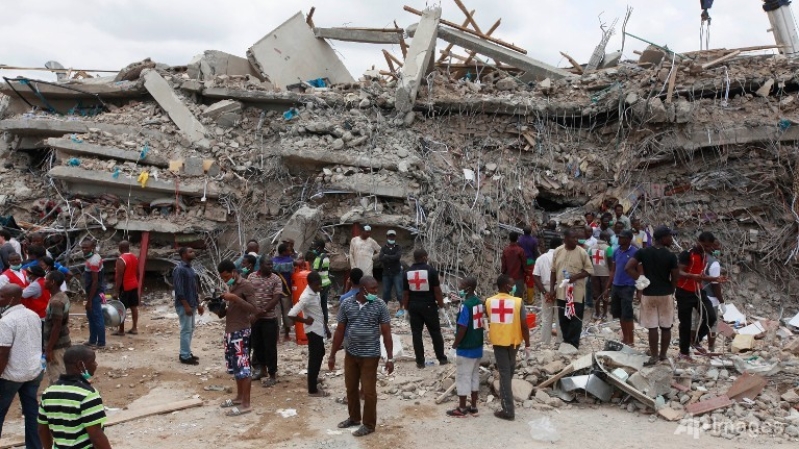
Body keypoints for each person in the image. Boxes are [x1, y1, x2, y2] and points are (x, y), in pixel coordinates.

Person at [328, 276, 393, 437]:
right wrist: (332, 354)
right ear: (363, 289)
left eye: (376, 289)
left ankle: (369, 424)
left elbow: (386, 333)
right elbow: (340, 331)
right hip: (351, 353)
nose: (375, 292)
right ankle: (354, 417)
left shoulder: (379, 305)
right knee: (350, 387)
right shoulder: (347, 304)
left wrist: (390, 358)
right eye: (373, 289)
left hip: (370, 355)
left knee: (369, 391)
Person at [37, 345, 112, 449]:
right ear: (81, 365)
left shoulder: (48, 393)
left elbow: (42, 429)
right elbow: (96, 436)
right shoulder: (88, 395)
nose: (96, 364)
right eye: (93, 361)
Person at [625, 226, 680, 365]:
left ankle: (654, 356)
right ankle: (663, 355)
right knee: (666, 327)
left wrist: (640, 279)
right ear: (663, 238)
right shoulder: (671, 256)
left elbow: (628, 267)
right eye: (669, 236)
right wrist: (672, 290)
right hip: (665, 293)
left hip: (648, 293)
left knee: (652, 327)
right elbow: (675, 277)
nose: (671, 239)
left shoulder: (643, 252)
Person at [0, 284, 43, 449]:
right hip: (33, 371)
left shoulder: (6, 321)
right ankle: (35, 446)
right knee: (32, 412)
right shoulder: (33, 315)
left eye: (2, 296)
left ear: (11, 299)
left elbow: (3, 354)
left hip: (12, 375)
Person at [485, 275, 530, 421]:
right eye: (511, 284)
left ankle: (508, 409)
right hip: (514, 342)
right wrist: (527, 343)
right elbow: (524, 326)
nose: (514, 286)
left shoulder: (489, 302)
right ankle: (508, 406)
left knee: (505, 374)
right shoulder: (518, 302)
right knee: (508, 373)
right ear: (505, 286)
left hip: (499, 342)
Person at [217, 260, 257, 417]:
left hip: (240, 331)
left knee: (244, 368)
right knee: (236, 368)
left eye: (226, 277)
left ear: (233, 272)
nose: (226, 281)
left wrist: (234, 298)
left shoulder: (246, 285)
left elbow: (254, 309)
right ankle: (240, 398)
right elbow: (232, 308)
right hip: (231, 331)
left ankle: (246, 404)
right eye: (223, 279)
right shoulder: (232, 286)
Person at [676, 232, 721, 360]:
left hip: (698, 291)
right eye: (705, 246)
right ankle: (683, 352)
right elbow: (679, 271)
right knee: (685, 323)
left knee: (711, 317)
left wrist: (715, 278)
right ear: (698, 242)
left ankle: (696, 341)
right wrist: (692, 276)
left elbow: (701, 276)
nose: (707, 249)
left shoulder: (704, 256)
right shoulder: (688, 254)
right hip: (684, 291)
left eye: (709, 247)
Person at [548, 228, 593, 349]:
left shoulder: (582, 252)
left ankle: (574, 344)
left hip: (576, 292)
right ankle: (566, 342)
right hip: (562, 292)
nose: (576, 240)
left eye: (577, 238)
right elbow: (553, 271)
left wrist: (576, 277)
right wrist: (552, 289)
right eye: (573, 238)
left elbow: (589, 271)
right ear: (566, 239)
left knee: (575, 317)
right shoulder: (558, 251)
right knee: (563, 318)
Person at [402, 249, 447, 369]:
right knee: (435, 332)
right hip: (429, 305)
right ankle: (441, 358)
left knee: (416, 334)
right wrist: (441, 306)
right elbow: (437, 291)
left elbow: (406, 294)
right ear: (423, 257)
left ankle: (420, 362)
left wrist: (405, 309)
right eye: (426, 256)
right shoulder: (431, 271)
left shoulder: (407, 272)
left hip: (413, 306)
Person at [288, 271, 330, 397]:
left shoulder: (315, 292)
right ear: (310, 284)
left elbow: (319, 312)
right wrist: (305, 320)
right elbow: (291, 314)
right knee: (315, 358)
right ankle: (312, 389)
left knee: (320, 353)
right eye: (317, 285)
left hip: (319, 328)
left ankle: (314, 378)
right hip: (312, 330)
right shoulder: (306, 297)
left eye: (320, 285)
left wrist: (326, 328)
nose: (320, 288)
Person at [446, 277, 484, 418]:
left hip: (466, 347)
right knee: (474, 376)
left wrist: (454, 346)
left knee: (462, 377)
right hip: (478, 346)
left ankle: (462, 408)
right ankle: (473, 406)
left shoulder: (465, 306)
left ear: (468, 288)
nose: (459, 287)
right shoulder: (479, 303)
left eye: (461, 285)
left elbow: (462, 328)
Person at [248, 257, 284, 387]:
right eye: (268, 264)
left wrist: (260, 312)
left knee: (270, 348)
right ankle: (261, 370)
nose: (270, 266)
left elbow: (276, 298)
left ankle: (272, 374)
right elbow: (248, 294)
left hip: (269, 319)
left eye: (271, 264)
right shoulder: (251, 277)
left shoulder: (276, 279)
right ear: (261, 265)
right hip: (255, 319)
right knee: (257, 346)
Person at [173, 247, 203, 365]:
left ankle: (186, 352)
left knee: (190, 329)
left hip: (192, 303)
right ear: (184, 254)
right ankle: (184, 356)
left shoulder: (190, 269)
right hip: (184, 305)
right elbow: (179, 290)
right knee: (185, 329)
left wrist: (198, 304)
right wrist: (186, 306)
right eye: (190, 251)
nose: (193, 252)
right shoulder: (179, 269)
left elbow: (193, 289)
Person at [606, 230, 638, 344]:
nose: (619, 239)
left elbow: (639, 271)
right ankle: (625, 338)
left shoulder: (635, 252)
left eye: (622, 237)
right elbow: (613, 270)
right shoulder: (616, 251)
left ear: (628, 239)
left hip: (628, 286)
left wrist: (639, 288)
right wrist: (608, 287)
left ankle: (631, 340)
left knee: (627, 314)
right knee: (619, 314)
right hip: (616, 285)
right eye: (618, 237)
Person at [693, 241, 724, 352]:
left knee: (695, 322)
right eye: (717, 245)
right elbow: (716, 286)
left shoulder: (697, 258)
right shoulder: (714, 263)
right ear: (710, 246)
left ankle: (692, 345)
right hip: (710, 297)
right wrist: (721, 301)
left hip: (695, 294)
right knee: (712, 324)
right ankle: (711, 348)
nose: (719, 248)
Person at [533, 238, 563, 347]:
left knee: (546, 317)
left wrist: (544, 292)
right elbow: (564, 276)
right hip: (559, 288)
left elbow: (535, 276)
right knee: (559, 316)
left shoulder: (541, 258)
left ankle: (545, 342)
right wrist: (554, 291)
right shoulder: (562, 258)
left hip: (545, 288)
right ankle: (559, 342)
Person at [43, 271, 71, 385]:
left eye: (46, 279)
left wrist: (49, 349)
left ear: (52, 282)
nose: (44, 282)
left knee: (58, 375)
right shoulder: (61, 296)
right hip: (62, 341)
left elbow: (56, 326)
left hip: (57, 345)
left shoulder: (56, 302)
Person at [81, 239, 105, 349]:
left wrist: (90, 300)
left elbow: (95, 281)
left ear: (92, 247)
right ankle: (92, 340)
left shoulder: (93, 261)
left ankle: (100, 342)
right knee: (92, 317)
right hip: (94, 292)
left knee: (96, 317)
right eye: (83, 248)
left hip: (94, 293)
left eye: (86, 248)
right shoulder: (94, 257)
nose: (84, 250)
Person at [114, 240, 140, 336]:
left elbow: (120, 276)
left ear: (120, 248)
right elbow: (137, 272)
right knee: (134, 307)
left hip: (125, 286)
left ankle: (121, 330)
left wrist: (116, 291)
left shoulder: (121, 259)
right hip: (134, 284)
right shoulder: (134, 257)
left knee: (121, 308)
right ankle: (134, 328)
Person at [272, 243, 295, 342]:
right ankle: (286, 335)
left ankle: (276, 337)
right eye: (288, 250)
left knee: (276, 314)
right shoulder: (289, 261)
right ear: (284, 252)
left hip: (274, 291)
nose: (290, 252)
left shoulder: (272, 261)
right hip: (286, 290)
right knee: (287, 313)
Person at [588, 231, 613, 321]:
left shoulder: (591, 248)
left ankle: (597, 313)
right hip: (605, 274)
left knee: (596, 293)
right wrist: (611, 273)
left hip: (594, 273)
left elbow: (590, 262)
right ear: (606, 238)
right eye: (609, 237)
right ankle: (605, 314)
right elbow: (610, 263)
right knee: (605, 293)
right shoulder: (608, 248)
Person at [378, 230, 403, 316]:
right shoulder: (383, 248)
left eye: (393, 236)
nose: (391, 238)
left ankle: (402, 309)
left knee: (399, 292)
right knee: (385, 292)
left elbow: (397, 257)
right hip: (386, 273)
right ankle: (383, 310)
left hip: (397, 272)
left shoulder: (398, 247)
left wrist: (387, 256)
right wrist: (391, 257)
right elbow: (381, 257)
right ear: (387, 237)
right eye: (389, 236)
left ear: (395, 237)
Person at [310, 239, 332, 325]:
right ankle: (325, 323)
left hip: (320, 284)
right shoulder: (326, 256)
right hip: (326, 282)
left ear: (319, 248)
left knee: (316, 305)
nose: (314, 249)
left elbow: (315, 272)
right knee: (324, 305)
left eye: (315, 247)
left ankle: (318, 324)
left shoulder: (319, 257)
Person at [501, 231, 527, 302]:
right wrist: (525, 272)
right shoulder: (520, 250)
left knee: (509, 297)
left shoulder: (506, 250)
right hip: (518, 277)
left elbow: (503, 266)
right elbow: (524, 264)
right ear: (517, 238)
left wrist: (504, 274)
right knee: (518, 298)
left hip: (508, 277)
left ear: (509, 238)